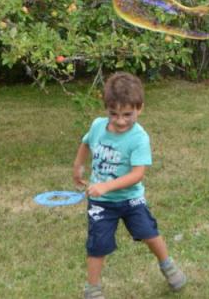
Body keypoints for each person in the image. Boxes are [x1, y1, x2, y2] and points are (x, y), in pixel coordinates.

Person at [73, 72, 186, 299]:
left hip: (130, 199)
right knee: (97, 244)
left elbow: (137, 175)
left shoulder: (139, 138)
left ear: (140, 108)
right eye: (113, 114)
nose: (121, 120)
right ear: (106, 109)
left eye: (127, 114)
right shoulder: (98, 126)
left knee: (148, 232)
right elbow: (86, 142)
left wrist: (106, 186)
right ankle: (93, 289)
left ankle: (167, 265)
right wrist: (78, 165)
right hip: (100, 204)